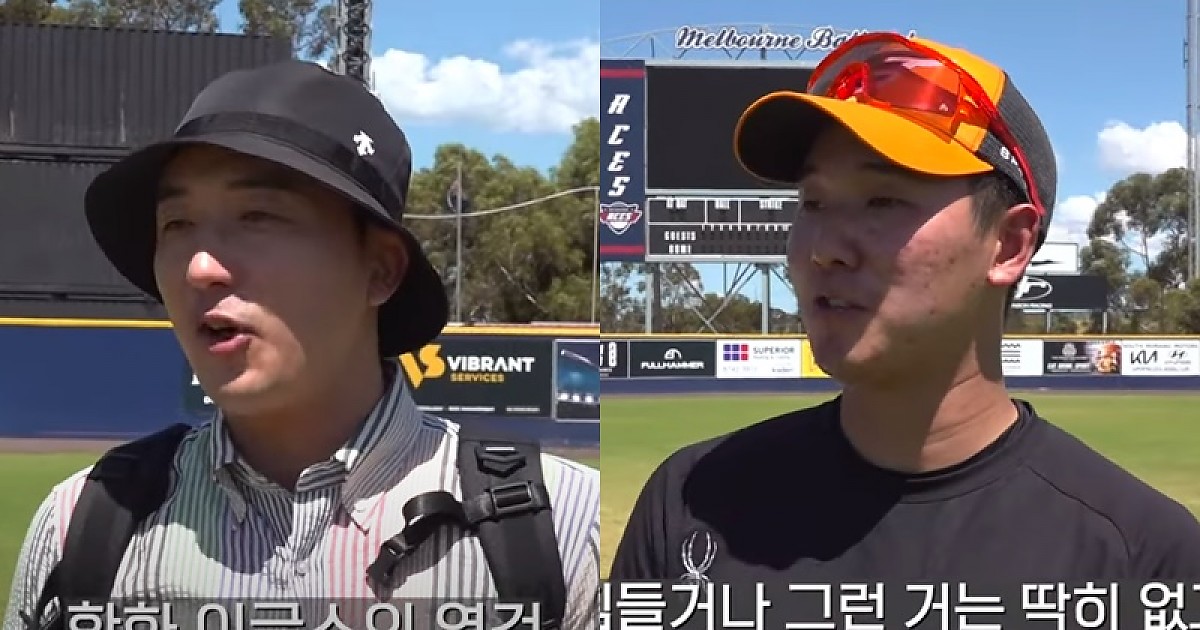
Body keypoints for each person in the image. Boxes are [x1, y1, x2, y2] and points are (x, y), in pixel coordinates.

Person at [4, 60, 598, 630]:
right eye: (176, 224)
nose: (200, 268)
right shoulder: (80, 526)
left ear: (380, 270)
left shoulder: (563, 528)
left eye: (258, 215)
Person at [609, 32, 1200, 587]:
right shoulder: (689, 503)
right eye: (812, 202)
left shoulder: (1143, 558)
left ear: (1008, 245)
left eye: (883, 200)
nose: (823, 248)